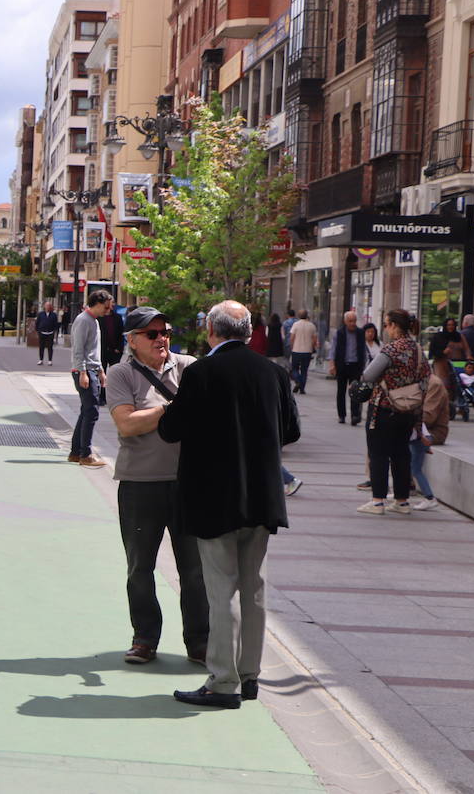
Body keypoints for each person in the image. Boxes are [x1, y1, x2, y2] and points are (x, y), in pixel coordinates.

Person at [158, 301, 299, 709]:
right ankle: (250, 675)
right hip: (262, 497)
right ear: (249, 331)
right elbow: (290, 430)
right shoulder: (274, 372)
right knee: (253, 588)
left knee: (223, 592)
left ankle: (223, 682)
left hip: (214, 497)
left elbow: (172, 429)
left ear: (210, 331)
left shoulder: (201, 372)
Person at [105, 307, 208, 667]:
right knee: (140, 566)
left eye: (165, 331)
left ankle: (200, 641)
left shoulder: (189, 367)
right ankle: (145, 638)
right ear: (132, 341)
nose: (161, 338)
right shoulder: (120, 374)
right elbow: (127, 424)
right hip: (140, 484)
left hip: (187, 483)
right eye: (151, 334)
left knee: (194, 569)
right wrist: (173, 408)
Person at [356, 309, 430, 515]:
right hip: (408, 410)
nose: (386, 328)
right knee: (401, 454)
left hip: (384, 407)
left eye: (387, 324)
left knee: (378, 453)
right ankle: (401, 501)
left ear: (395, 326)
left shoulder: (391, 349)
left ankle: (377, 501)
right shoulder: (417, 349)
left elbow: (368, 375)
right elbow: (425, 379)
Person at [69, 290, 113, 468]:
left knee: (86, 411)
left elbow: (94, 350)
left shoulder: (93, 321)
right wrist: (83, 372)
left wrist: (101, 370)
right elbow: (78, 349)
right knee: (91, 411)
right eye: (106, 306)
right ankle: (85, 454)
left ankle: (76, 452)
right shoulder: (84, 320)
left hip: (91, 369)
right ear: (97, 303)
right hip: (85, 371)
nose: (108, 310)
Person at [411, 357, 452, 512]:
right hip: (420, 429)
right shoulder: (421, 382)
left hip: (434, 432)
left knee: (413, 463)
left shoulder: (433, 383)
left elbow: (428, 416)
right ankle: (404, 490)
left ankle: (428, 497)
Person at [330, 311, 367, 426]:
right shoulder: (339, 333)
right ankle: (342, 415)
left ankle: (355, 415)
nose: (352, 323)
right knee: (341, 391)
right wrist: (332, 365)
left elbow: (363, 350)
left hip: (355, 366)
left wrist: (363, 366)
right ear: (345, 321)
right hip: (342, 365)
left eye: (354, 321)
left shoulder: (360, 333)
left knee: (355, 392)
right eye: (350, 321)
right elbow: (333, 349)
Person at [288, 309, 318, 394]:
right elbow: (315, 340)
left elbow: (292, 338)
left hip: (296, 350)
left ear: (299, 315)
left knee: (294, 369)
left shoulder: (296, 325)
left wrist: (292, 347)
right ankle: (302, 388)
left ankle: (298, 381)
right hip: (307, 351)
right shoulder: (312, 325)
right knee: (304, 370)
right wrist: (312, 347)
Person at [99, 304, 126, 370]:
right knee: (101, 371)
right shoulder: (99, 318)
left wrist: (119, 348)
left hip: (115, 350)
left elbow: (121, 333)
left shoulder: (117, 317)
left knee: (115, 371)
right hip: (102, 350)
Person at [36, 300, 59, 366]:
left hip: (50, 333)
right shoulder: (41, 314)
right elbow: (37, 322)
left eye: (49, 306)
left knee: (50, 347)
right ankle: (41, 360)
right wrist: (38, 330)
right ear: (44, 307)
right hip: (42, 332)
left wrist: (54, 332)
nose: (47, 307)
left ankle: (50, 360)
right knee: (41, 347)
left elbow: (55, 324)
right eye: (46, 306)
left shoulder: (53, 315)